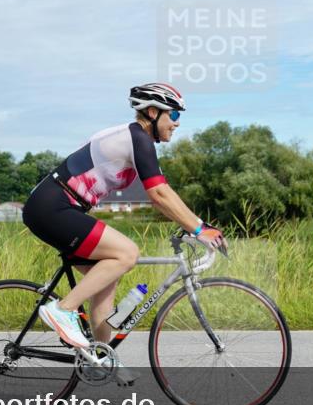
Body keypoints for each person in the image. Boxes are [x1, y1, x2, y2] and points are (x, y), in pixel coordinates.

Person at [21, 82, 226, 359]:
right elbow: (159, 194)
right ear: (152, 112)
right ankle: (62, 310)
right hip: (53, 207)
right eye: (174, 115)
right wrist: (200, 229)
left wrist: (195, 224)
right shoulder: (137, 138)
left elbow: (164, 192)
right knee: (127, 253)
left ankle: (100, 358)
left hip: (58, 207)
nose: (177, 123)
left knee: (106, 280)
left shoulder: (135, 138)